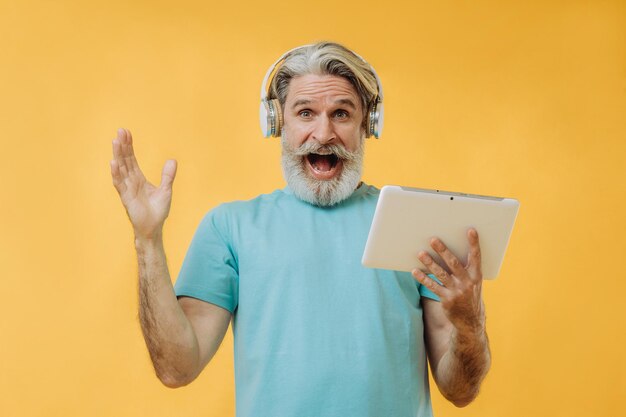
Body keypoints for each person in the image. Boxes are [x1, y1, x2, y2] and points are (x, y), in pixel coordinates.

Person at [110, 42, 490, 417]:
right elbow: (176, 368)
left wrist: (470, 324)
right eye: (305, 113)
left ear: (367, 126)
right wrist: (147, 239)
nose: (323, 134)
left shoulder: (415, 224)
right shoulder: (229, 227)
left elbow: (459, 391)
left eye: (341, 114)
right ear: (277, 123)